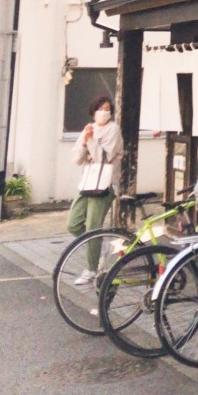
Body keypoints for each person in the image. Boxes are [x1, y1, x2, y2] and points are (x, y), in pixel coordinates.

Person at [66, 95, 122, 284]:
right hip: (88, 182)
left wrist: (91, 142)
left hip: (104, 184)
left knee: (93, 226)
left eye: (107, 109)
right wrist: (85, 142)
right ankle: (99, 245)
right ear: (94, 110)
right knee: (73, 223)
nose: (104, 112)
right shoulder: (89, 129)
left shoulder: (113, 130)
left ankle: (91, 269)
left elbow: (104, 158)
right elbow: (76, 159)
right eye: (100, 108)